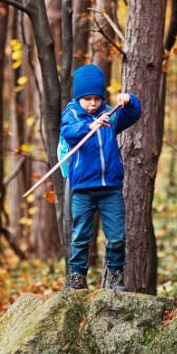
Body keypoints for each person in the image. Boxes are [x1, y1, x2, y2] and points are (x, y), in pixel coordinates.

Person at [59, 64, 141, 292]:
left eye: (96, 98)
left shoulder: (110, 116)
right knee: (80, 236)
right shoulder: (72, 114)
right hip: (83, 188)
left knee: (116, 237)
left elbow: (133, 114)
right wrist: (89, 125)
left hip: (110, 188)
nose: (93, 103)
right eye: (87, 99)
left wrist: (130, 100)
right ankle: (75, 277)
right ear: (79, 98)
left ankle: (115, 277)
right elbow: (69, 132)